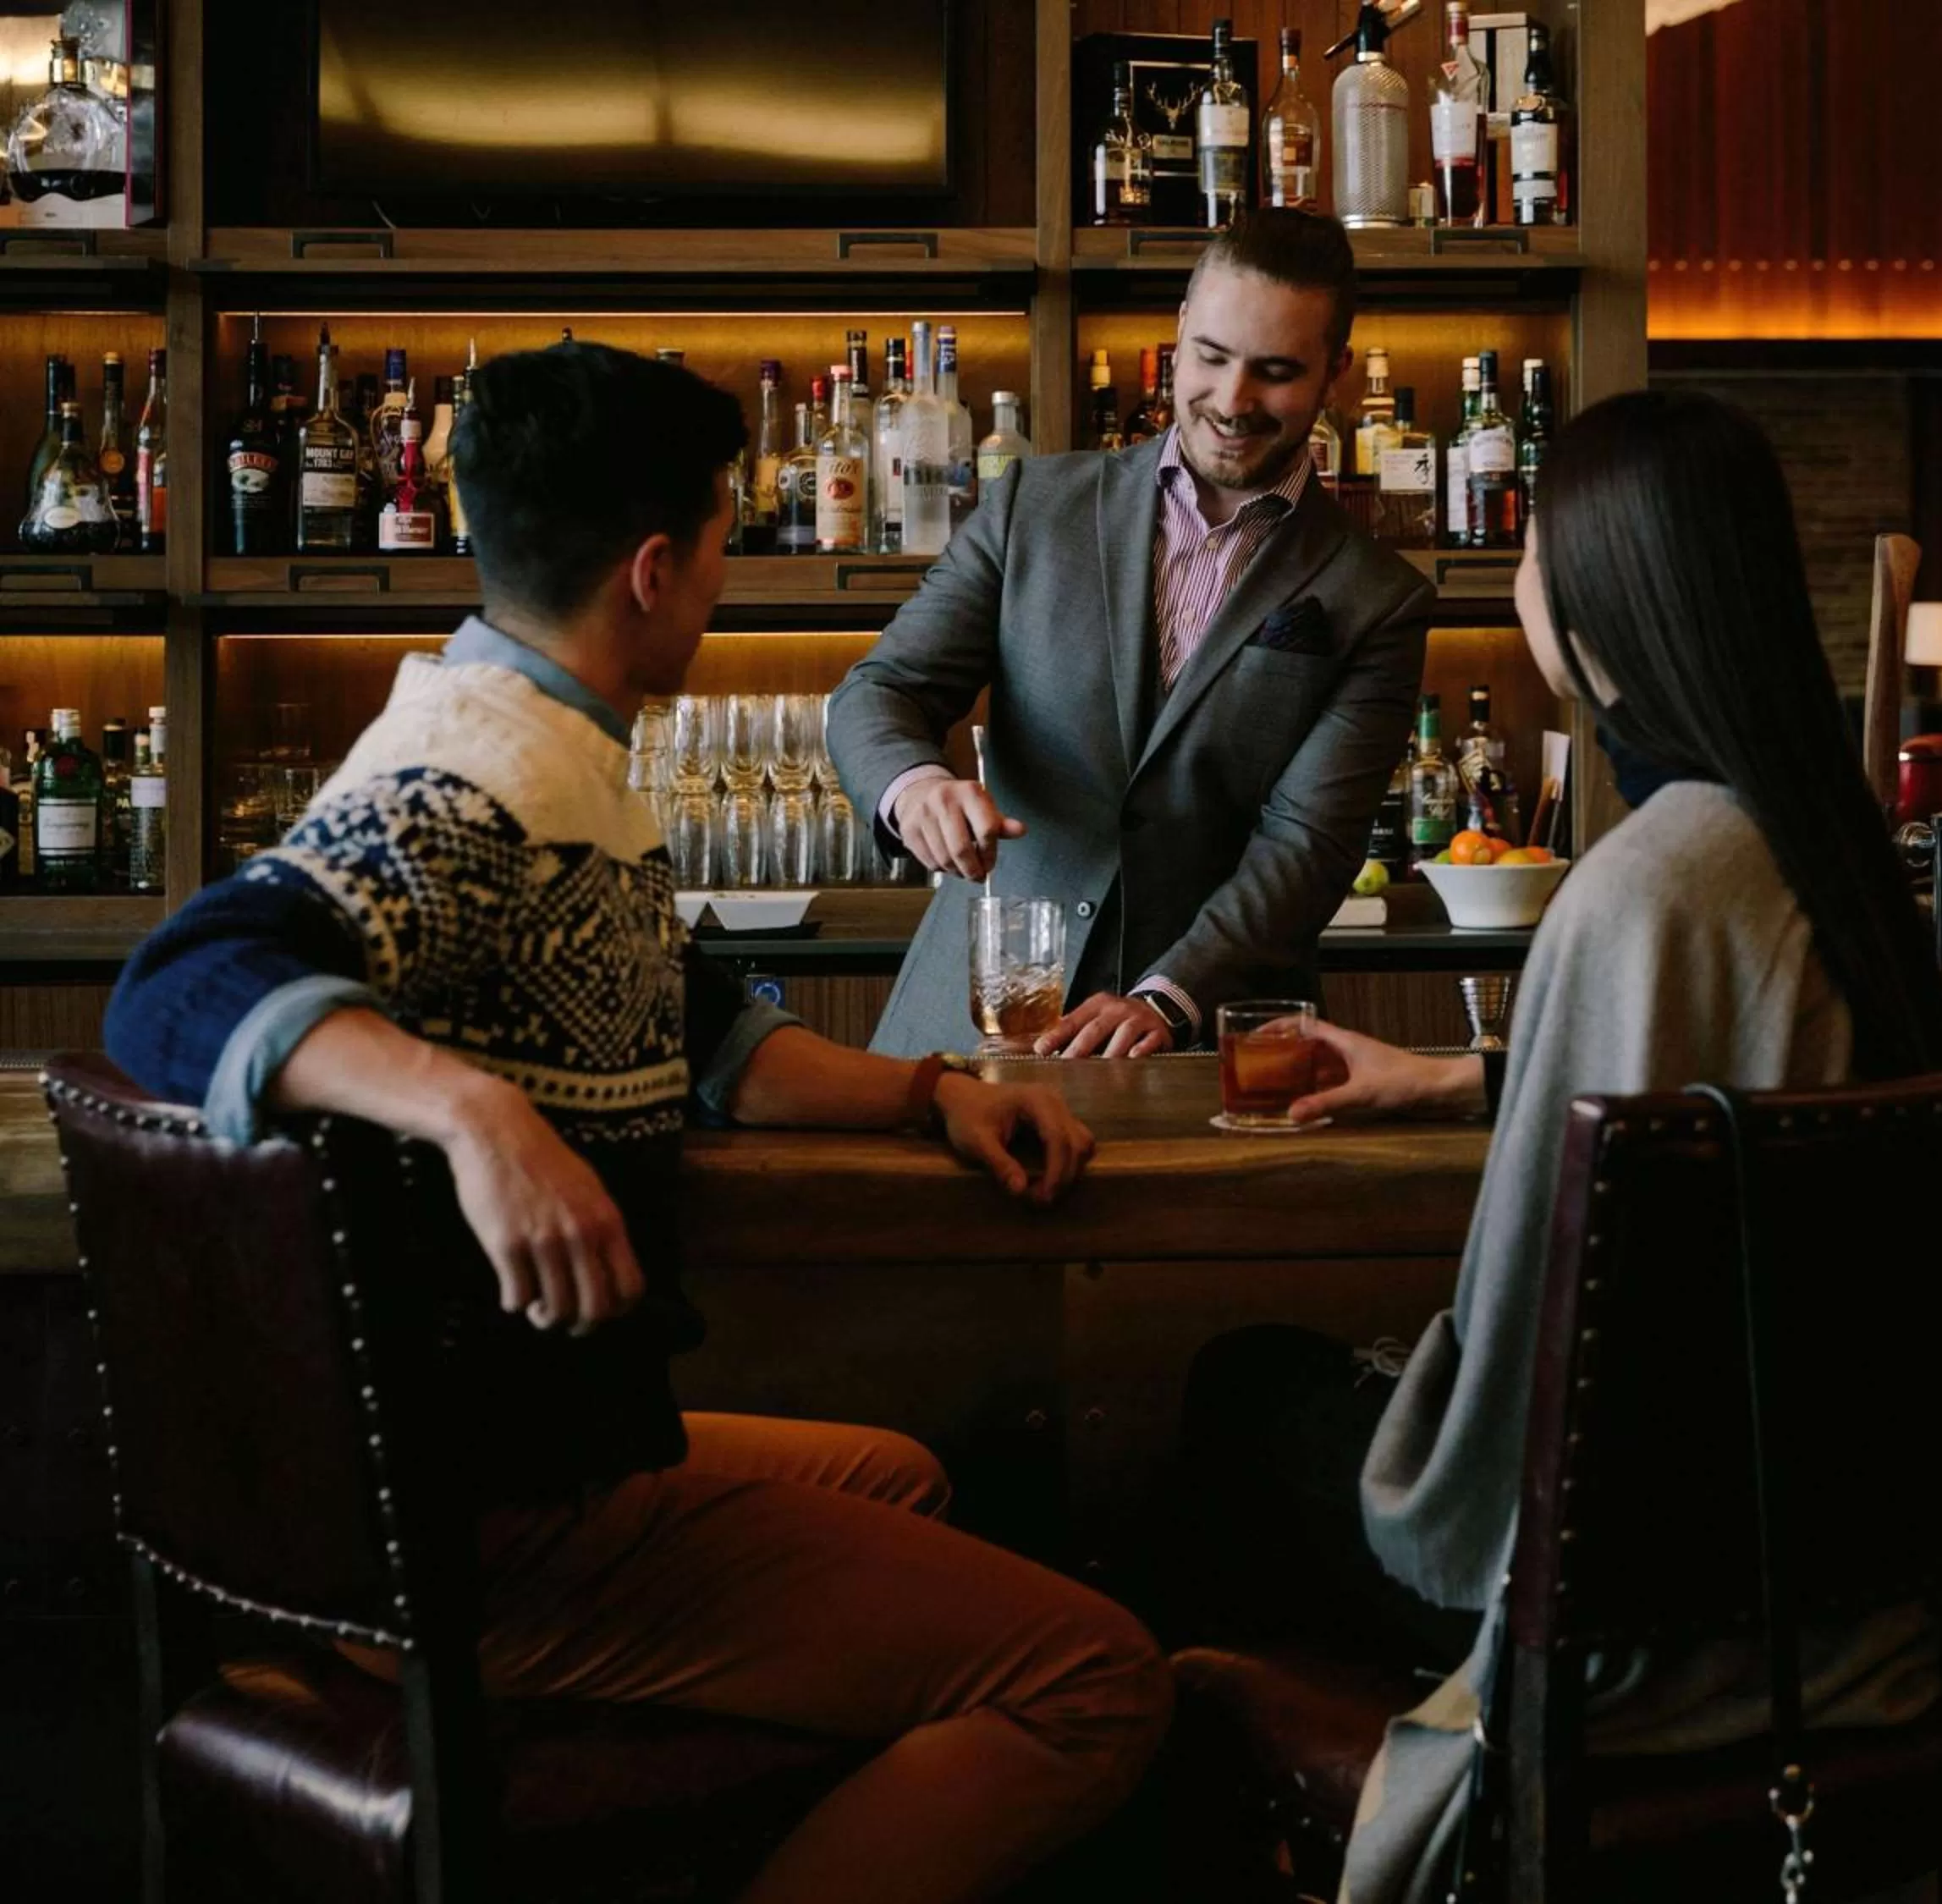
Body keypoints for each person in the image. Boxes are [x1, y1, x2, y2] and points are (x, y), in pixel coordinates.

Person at [103, 343, 1171, 1904]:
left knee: (897, 1474)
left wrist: (930, 1092)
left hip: (439, 1476)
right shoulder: (475, 772)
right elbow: (182, 981)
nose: (733, 571)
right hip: (499, 1519)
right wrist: (479, 1119)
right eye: (733, 536)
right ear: (657, 571)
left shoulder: (558, 753)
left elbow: (710, 1027)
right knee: (1095, 1679)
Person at [1177, 390, 1942, 1903]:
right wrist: (1476, 1077)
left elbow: (1534, 1341)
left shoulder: (1639, 888)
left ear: (1598, 603)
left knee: (1239, 1390)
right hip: (1832, 1579)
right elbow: (1733, 1096)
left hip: (1614, 1598)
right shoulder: (1835, 848)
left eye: (1534, 551)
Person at [830, 209, 1433, 1059]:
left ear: (1334, 373)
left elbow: (1307, 846)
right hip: (973, 1028)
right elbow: (880, 691)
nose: (1231, 402)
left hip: (1206, 1047)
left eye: (1276, 372)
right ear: (1180, 332)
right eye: (1213, 358)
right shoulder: (1031, 508)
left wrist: (1166, 997)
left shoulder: (1378, 597)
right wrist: (915, 787)